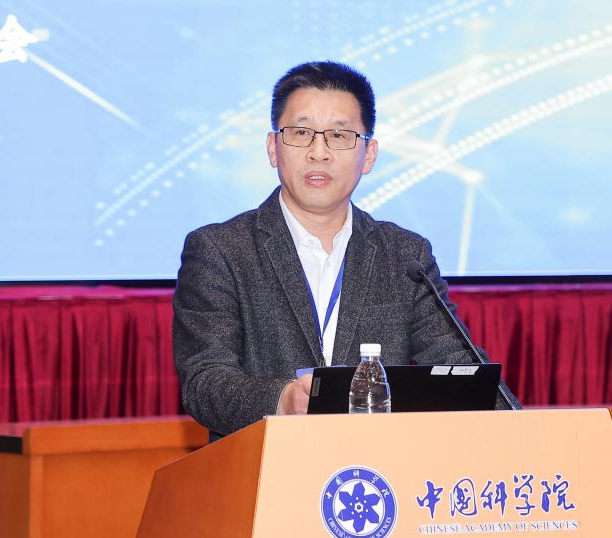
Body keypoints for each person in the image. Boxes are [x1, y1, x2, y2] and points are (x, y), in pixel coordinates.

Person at [173, 61, 517, 441]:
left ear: (368, 155)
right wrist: (283, 400)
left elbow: (459, 366)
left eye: (339, 135)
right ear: (273, 148)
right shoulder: (221, 251)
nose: (319, 152)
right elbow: (205, 382)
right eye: (301, 133)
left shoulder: (404, 255)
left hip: (380, 468)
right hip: (266, 465)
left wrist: (527, 437)